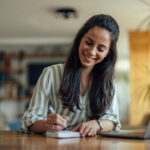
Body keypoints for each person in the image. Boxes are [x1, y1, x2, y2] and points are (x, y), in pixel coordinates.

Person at [22, 14, 121, 137]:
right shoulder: (51, 74)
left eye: (101, 49)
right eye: (89, 42)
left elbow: (113, 120)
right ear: (80, 39)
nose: (91, 51)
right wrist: (46, 125)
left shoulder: (108, 81)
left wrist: (97, 124)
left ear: (108, 53)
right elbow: (30, 119)